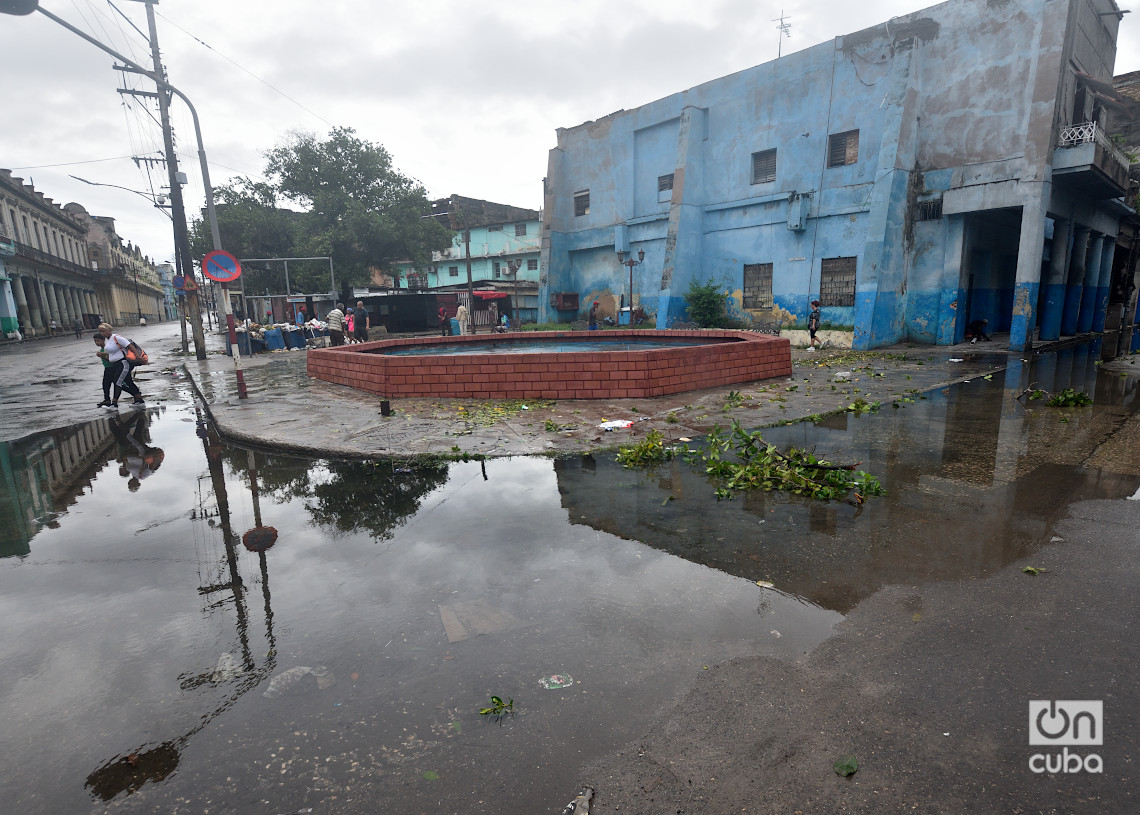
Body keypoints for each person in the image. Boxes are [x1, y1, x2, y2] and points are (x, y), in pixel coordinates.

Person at [97, 322, 144, 408]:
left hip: (123, 363)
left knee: (117, 381)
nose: (101, 333)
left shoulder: (116, 337)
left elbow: (130, 346)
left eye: (103, 331)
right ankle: (139, 399)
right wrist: (103, 356)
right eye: (100, 331)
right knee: (128, 381)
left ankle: (114, 403)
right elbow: (112, 355)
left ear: (109, 330)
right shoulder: (109, 340)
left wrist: (138, 357)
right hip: (115, 364)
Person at [94, 334, 116, 408]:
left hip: (111, 368)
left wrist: (102, 356)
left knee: (120, 385)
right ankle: (107, 400)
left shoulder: (107, 349)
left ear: (103, 340)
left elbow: (111, 359)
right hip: (107, 368)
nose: (96, 342)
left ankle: (136, 394)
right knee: (105, 385)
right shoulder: (102, 350)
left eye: (98, 341)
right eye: (95, 341)